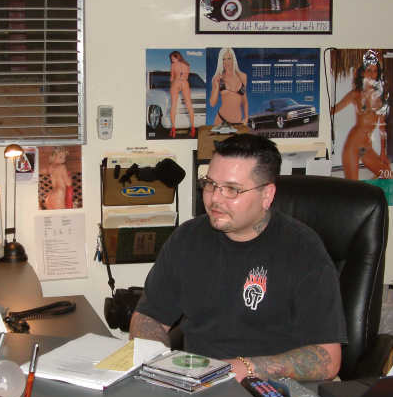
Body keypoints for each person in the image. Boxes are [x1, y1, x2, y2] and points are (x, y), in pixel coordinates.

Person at [129, 133, 346, 382]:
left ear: (266, 195)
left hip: (274, 387)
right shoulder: (187, 239)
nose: (214, 198)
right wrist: (157, 363)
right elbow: (149, 318)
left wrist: (242, 369)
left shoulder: (303, 250)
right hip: (198, 384)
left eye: (232, 189)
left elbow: (327, 359)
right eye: (210, 184)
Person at [331, 51, 393, 180]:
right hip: (353, 145)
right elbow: (333, 110)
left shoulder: (380, 96)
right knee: (352, 188)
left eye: (375, 71)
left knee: (388, 175)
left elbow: (382, 127)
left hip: (365, 147)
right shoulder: (356, 94)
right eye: (368, 70)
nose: (372, 74)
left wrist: (383, 152)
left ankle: (369, 188)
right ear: (363, 73)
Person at [209, 48, 248, 127]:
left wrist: (246, 118)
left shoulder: (242, 77)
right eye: (223, 59)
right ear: (221, 61)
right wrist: (216, 86)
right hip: (221, 120)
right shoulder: (218, 78)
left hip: (238, 123)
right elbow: (212, 104)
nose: (226, 62)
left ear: (234, 59)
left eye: (229, 58)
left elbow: (244, 101)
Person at [168, 50, 196, 138]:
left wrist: (172, 83)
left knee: (173, 105)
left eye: (173, 58)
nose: (172, 60)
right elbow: (187, 76)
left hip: (176, 82)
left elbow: (171, 78)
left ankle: (173, 129)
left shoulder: (173, 65)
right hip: (185, 83)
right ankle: (193, 128)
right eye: (171, 59)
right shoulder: (187, 65)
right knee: (189, 105)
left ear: (177, 57)